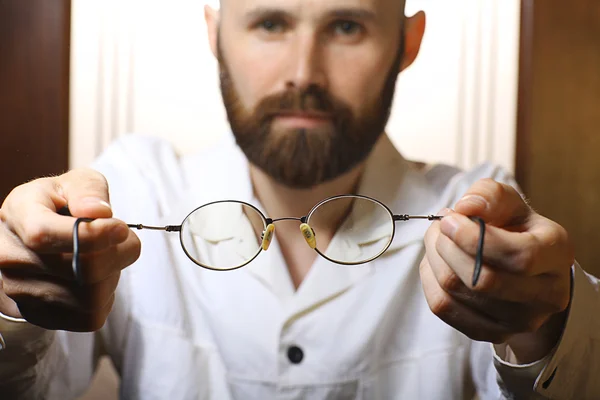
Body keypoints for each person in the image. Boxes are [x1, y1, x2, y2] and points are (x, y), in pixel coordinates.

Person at [1, 0, 599, 398]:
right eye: (270, 23)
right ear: (214, 32)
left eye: (346, 25)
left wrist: (546, 329)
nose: (303, 73)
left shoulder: (471, 212)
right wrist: (11, 304)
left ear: (408, 42)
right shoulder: (135, 189)